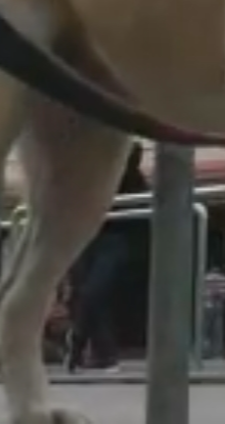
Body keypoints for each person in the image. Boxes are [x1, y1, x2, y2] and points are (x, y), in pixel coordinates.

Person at [67, 143, 147, 373]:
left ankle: (79, 342)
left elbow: (132, 155)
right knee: (89, 294)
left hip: (116, 238)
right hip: (89, 235)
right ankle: (103, 353)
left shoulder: (129, 176)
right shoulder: (92, 173)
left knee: (94, 290)